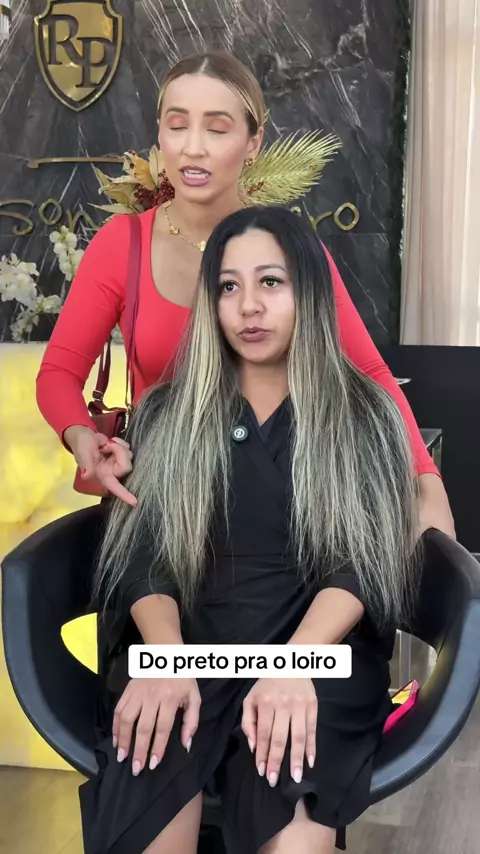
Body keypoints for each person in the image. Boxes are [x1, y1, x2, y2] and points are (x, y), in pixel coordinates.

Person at [80, 205, 423, 854]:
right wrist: (165, 658)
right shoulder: (166, 415)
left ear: (308, 291)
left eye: (271, 282)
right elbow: (145, 559)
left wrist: (295, 664)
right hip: (191, 648)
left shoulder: (364, 413)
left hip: (319, 654)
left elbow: (362, 565)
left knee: (289, 780)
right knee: (150, 766)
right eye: (228, 287)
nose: (249, 307)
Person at [35, 50, 454, 538]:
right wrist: (83, 437)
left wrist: (427, 483)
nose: (193, 148)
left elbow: (370, 372)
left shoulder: (292, 248)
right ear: (160, 134)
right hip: (164, 507)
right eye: (177, 125)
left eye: (217, 129)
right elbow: (59, 373)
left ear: (253, 142)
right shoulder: (121, 245)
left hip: (284, 505)